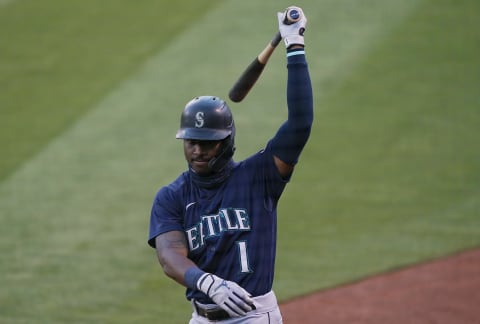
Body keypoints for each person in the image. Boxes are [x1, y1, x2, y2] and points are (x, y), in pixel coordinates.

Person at [148, 6, 313, 323]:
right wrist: (207, 282)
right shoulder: (172, 196)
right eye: (191, 142)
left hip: (252, 316)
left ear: (226, 142)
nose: (197, 150)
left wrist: (294, 47)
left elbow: (300, 124)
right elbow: (169, 257)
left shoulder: (260, 176)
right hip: (202, 317)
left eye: (207, 143)